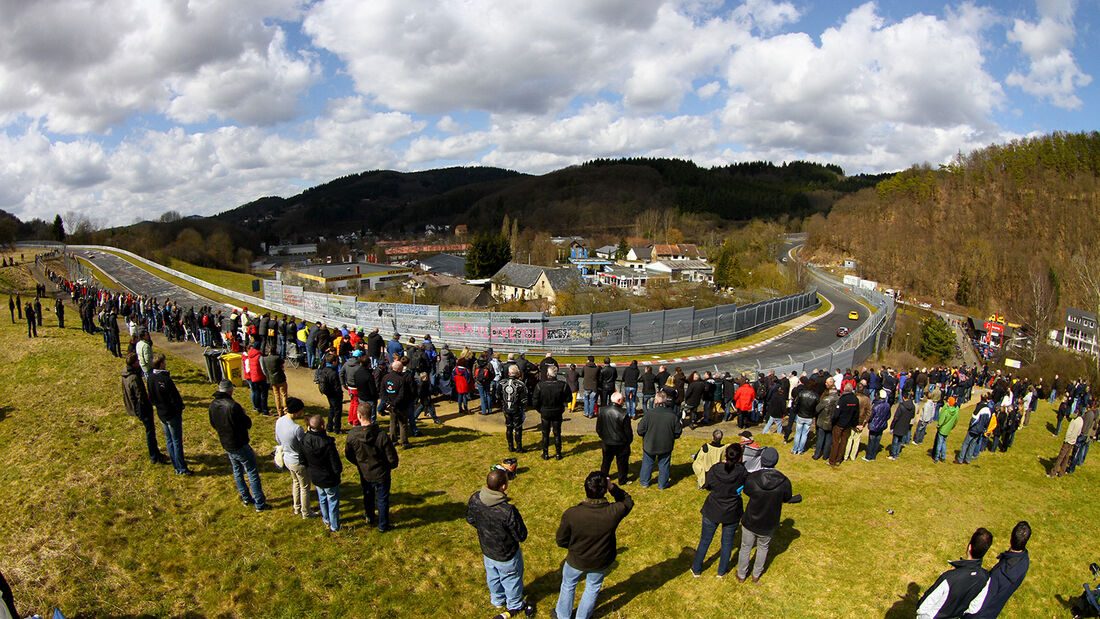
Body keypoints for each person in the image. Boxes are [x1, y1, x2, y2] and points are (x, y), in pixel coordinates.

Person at [554, 471, 634, 619]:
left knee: (568, 585)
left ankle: (562, 615)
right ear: (605, 490)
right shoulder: (613, 511)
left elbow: (561, 540)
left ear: (586, 488)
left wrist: (574, 548)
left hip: (576, 559)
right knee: (592, 587)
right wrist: (612, 487)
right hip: (601, 560)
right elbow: (627, 502)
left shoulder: (572, 514)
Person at [466, 469, 534, 619]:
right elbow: (521, 535)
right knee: (511, 579)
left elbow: (470, 519)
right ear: (503, 487)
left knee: (493, 576)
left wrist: (485, 530)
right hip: (506, 554)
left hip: (487, 549)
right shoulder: (507, 511)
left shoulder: (475, 498)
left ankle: (497, 599)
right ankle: (514, 604)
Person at [738, 447, 801, 582]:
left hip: (751, 519)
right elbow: (786, 497)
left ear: (762, 460)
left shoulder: (753, 478)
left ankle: (742, 574)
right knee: (763, 547)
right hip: (769, 522)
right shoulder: (784, 482)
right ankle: (756, 574)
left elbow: (747, 491)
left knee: (746, 547)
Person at [208, 380, 270, 511]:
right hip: (239, 443)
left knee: (237, 471)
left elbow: (213, 423)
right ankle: (260, 503)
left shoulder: (213, 404)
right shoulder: (232, 406)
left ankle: (246, 498)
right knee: (252, 472)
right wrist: (244, 413)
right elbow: (247, 424)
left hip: (226, 443)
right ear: (230, 391)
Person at [690, 443, 747, 578]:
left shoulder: (716, 469)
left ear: (725, 455)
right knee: (727, 543)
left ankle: (697, 569)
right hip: (731, 511)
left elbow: (707, 485)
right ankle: (721, 571)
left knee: (705, 540)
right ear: (739, 458)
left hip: (713, 509)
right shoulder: (742, 473)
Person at [915, 527, 993, 619]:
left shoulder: (949, 578)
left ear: (969, 547)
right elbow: (974, 608)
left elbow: (922, 607)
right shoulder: (986, 578)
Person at [346, 403, 399, 532]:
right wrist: (389, 466)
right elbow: (392, 458)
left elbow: (349, 455)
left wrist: (360, 463)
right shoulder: (381, 435)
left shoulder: (353, 435)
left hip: (365, 471)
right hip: (381, 472)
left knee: (368, 494)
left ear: (359, 416)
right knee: (382, 499)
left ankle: (369, 516)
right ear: (372, 415)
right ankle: (382, 524)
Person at [147, 353, 192, 475]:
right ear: (161, 364)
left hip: (161, 413)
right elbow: (174, 398)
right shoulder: (165, 380)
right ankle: (181, 467)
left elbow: (151, 396)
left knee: (169, 440)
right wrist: (179, 408)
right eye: (164, 362)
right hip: (171, 414)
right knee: (176, 441)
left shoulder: (150, 378)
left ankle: (175, 465)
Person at [122, 352, 167, 465]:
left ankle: (155, 452)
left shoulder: (126, 374)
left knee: (150, 431)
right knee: (150, 432)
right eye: (137, 361)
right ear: (134, 364)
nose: (139, 362)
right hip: (143, 408)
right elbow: (140, 396)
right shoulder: (133, 378)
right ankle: (154, 455)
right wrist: (147, 405)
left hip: (137, 408)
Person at [275, 397, 316, 519]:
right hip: (298, 461)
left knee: (296, 483)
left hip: (287, 458)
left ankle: (297, 507)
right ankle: (306, 512)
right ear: (297, 411)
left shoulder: (280, 421)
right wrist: (309, 430)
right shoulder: (296, 429)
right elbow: (305, 445)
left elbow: (277, 439)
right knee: (305, 487)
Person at [301, 414, 342, 532]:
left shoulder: (305, 439)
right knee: (332, 501)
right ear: (323, 426)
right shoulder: (327, 443)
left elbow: (302, 458)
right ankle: (334, 525)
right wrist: (337, 472)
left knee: (322, 497)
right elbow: (335, 462)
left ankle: (326, 519)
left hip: (316, 475)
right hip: (329, 477)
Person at [636, 389, 682, 489]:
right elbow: (678, 432)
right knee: (664, 465)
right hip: (666, 444)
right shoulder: (673, 415)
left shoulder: (649, 413)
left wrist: (645, 436)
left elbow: (640, 430)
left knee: (647, 463)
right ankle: (662, 484)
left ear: (656, 401)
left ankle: (644, 482)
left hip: (650, 443)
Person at [532, 365, 571, 460]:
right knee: (557, 433)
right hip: (556, 411)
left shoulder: (540, 385)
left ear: (547, 374)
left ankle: (546, 454)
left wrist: (540, 410)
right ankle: (558, 453)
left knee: (545, 433)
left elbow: (535, 401)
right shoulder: (563, 385)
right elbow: (568, 399)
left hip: (546, 411)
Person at [596, 391, 632, 485]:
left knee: (606, 462)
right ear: (619, 400)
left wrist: (604, 437)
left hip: (607, 442)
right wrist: (627, 442)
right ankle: (622, 479)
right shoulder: (623, 413)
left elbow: (598, 428)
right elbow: (628, 432)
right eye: (623, 400)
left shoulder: (601, 410)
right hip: (621, 443)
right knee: (622, 463)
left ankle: (603, 477)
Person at [382, 360, 415, 448]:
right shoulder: (401, 380)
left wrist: (388, 402)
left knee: (392, 423)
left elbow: (383, 392)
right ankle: (404, 442)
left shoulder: (386, 377)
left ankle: (393, 440)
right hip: (400, 405)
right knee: (403, 424)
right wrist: (393, 403)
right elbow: (401, 394)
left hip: (391, 404)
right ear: (399, 369)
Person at [499, 365, 528, 453]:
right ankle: (519, 448)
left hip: (507, 408)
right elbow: (524, 400)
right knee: (518, 428)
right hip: (517, 409)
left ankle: (510, 447)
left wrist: (504, 402)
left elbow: (498, 395)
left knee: (509, 427)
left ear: (509, 373)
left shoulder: (501, 383)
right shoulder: (520, 384)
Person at [829, 384, 859, 466]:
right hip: (848, 424)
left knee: (835, 442)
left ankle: (832, 460)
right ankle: (839, 459)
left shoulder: (842, 399)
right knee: (843, 442)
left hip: (839, 424)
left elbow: (837, 413)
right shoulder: (855, 400)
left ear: (845, 389)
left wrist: (834, 421)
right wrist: (853, 423)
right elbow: (856, 414)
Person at [1049, 407, 1083, 477]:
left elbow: (1069, 432)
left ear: (1078, 411)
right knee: (1066, 457)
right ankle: (1062, 472)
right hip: (1073, 441)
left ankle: (1053, 473)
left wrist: (1066, 439)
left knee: (1060, 457)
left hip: (1068, 441)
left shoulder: (1074, 421)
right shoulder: (1081, 421)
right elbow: (1079, 433)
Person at [316, 354, 343, 434]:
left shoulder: (324, 370)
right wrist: (340, 394)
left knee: (332, 410)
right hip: (335, 394)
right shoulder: (334, 373)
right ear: (333, 362)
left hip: (328, 393)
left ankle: (329, 427)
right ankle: (337, 429)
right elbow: (337, 386)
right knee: (337, 412)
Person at [261, 345, 288, 417]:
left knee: (277, 396)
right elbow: (282, 362)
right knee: (284, 395)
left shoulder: (265, 359)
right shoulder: (277, 358)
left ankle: (279, 412)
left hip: (272, 380)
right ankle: (285, 410)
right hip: (280, 379)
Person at [888, 391, 916, 460]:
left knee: (895, 441)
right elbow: (912, 416)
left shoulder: (901, 406)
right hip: (905, 425)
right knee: (900, 441)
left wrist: (892, 426)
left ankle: (893, 454)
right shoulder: (912, 406)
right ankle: (897, 453)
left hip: (898, 425)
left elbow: (896, 417)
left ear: (903, 398)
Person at [933, 397, 960, 463]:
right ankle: (943, 457)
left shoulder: (947, 411)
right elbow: (955, 421)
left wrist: (939, 426)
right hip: (948, 429)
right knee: (944, 442)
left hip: (942, 429)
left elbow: (941, 420)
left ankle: (936, 457)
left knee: (939, 443)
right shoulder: (955, 411)